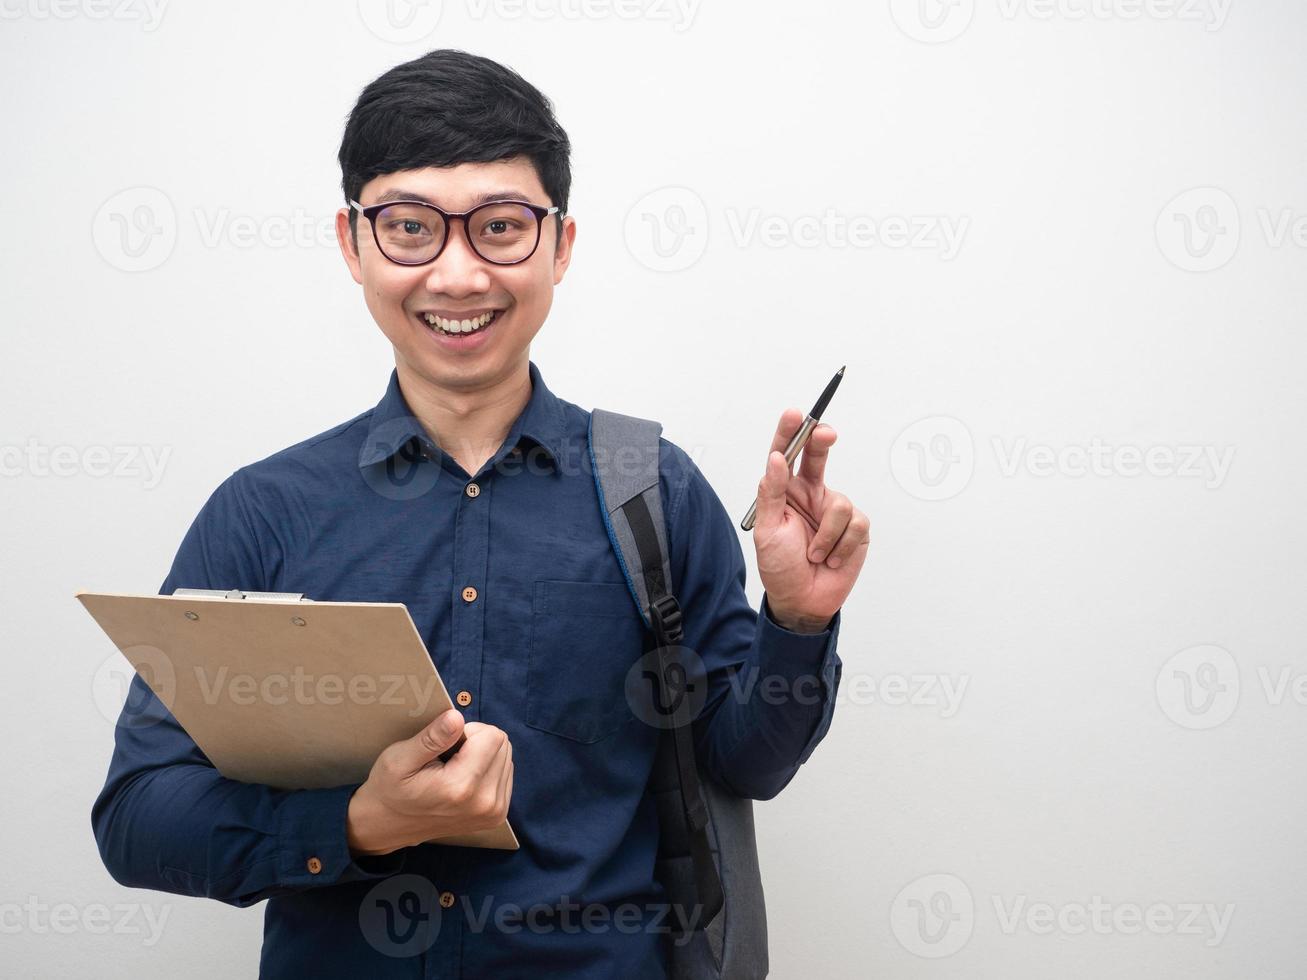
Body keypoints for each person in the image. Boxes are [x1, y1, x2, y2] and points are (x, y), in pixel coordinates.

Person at [90, 49, 870, 978]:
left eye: (500, 227)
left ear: (560, 245)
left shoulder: (652, 491)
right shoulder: (265, 513)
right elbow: (137, 817)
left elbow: (747, 766)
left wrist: (797, 618)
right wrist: (354, 824)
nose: (458, 276)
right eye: (410, 227)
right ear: (352, 244)